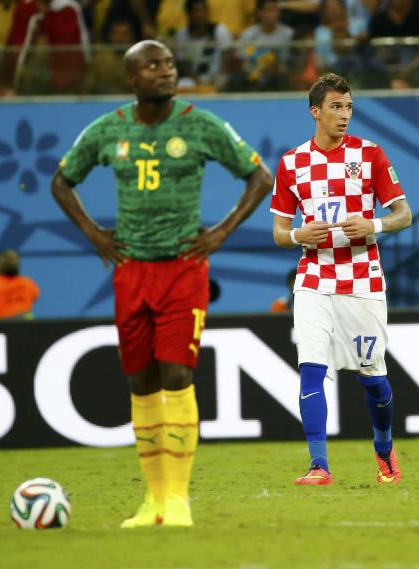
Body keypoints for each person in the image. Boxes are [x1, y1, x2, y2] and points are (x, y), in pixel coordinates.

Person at [51, 39, 273, 527]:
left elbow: (259, 176)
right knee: (140, 380)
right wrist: (94, 234)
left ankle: (178, 501)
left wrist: (220, 232)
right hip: (131, 269)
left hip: (182, 268)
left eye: (170, 63)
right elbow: (62, 180)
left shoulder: (199, 124)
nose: (166, 71)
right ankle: (152, 501)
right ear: (132, 78)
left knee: (177, 374)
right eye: (153, 65)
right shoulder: (108, 130)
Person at [270, 73, 412, 486]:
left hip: (363, 280)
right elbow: (280, 232)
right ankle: (319, 465)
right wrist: (299, 234)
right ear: (315, 111)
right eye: (335, 107)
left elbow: (403, 214)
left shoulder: (370, 155)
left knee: (375, 381)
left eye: (348, 107)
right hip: (313, 279)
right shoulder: (291, 163)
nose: (344, 115)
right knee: (311, 370)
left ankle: (384, 447)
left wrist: (374, 225)